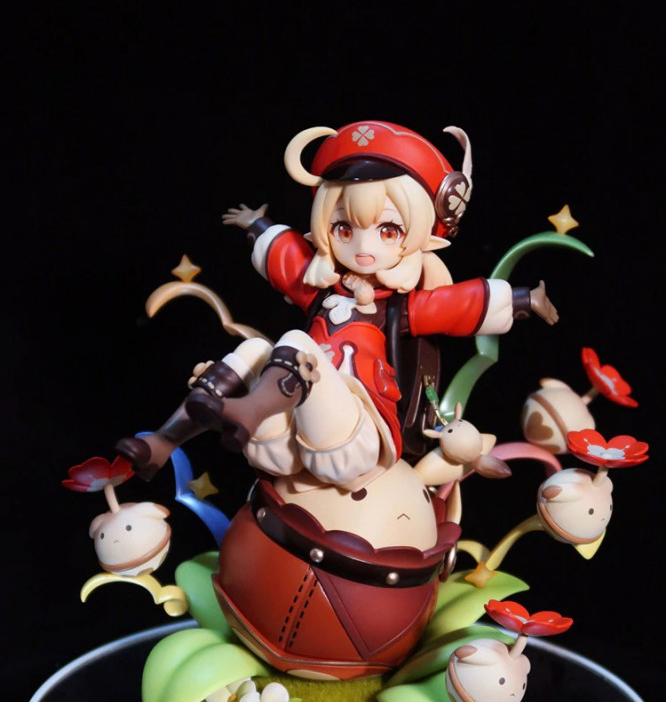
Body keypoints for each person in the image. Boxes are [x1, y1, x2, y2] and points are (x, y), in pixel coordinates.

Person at [117, 121, 557, 492]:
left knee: (294, 342)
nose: (363, 247)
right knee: (255, 351)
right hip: (286, 437)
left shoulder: (400, 308)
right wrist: (258, 226)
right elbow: (287, 261)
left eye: (388, 231)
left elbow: (459, 305)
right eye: (344, 228)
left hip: (358, 439)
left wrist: (523, 299)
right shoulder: (324, 290)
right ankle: (163, 443)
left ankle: (247, 409)